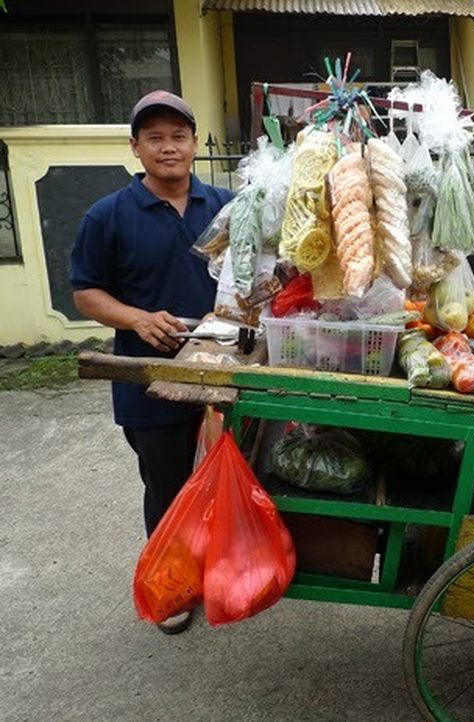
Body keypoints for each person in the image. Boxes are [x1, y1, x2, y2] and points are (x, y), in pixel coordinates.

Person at [70, 91, 234, 635]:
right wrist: (138, 319)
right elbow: (86, 293)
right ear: (136, 147)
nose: (169, 147)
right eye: (156, 138)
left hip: (226, 371)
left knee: (225, 475)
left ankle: (213, 567)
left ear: (193, 143)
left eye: (179, 136)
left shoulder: (227, 206)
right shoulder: (108, 215)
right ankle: (170, 586)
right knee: (166, 486)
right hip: (150, 380)